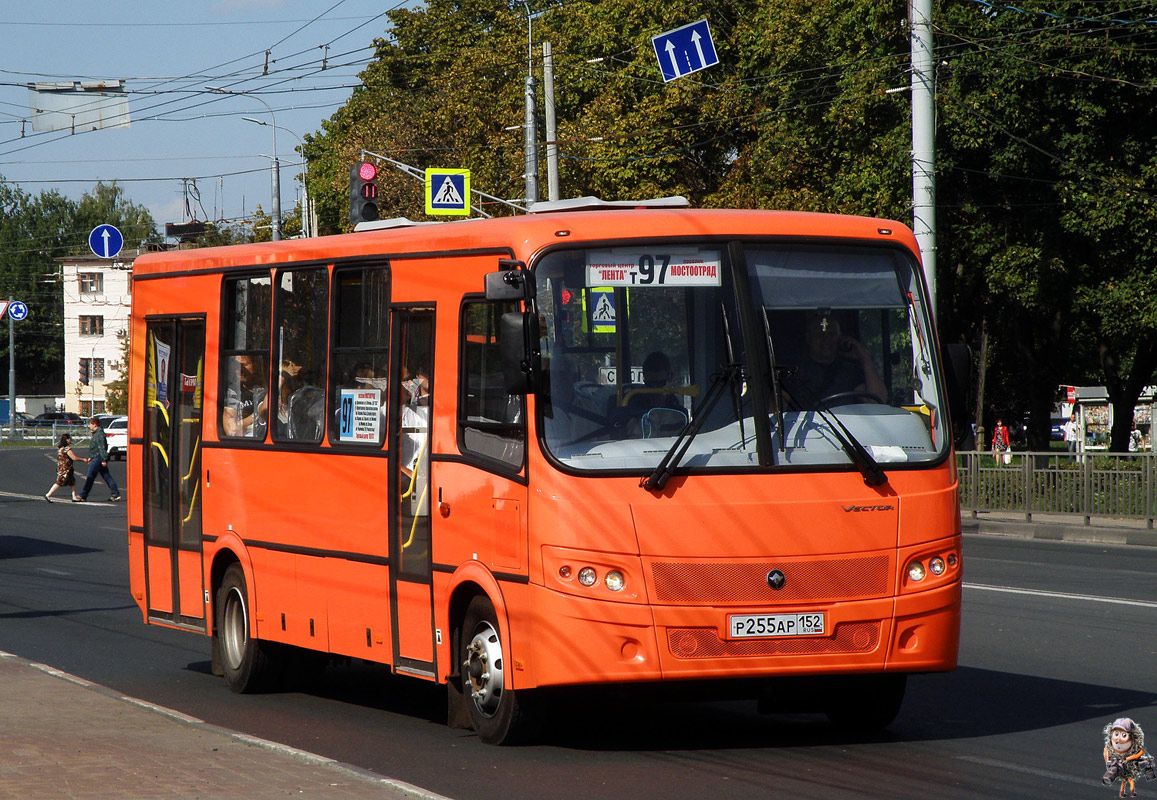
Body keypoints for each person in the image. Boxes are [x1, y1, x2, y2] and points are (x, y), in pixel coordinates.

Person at [788, 310, 886, 406]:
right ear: (809, 338)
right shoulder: (794, 373)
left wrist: (864, 356)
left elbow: (876, 401)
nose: (826, 340)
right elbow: (776, 410)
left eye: (832, 334)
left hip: (843, 421)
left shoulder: (850, 371)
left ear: (840, 337)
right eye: (819, 335)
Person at [221, 354, 268, 439]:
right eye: (237, 365)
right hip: (246, 441)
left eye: (244, 365)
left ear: (255, 365)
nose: (240, 370)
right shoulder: (233, 393)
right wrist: (255, 415)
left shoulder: (265, 388)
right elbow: (231, 431)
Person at [75, 417, 121, 502]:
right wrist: (90, 457)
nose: (89, 426)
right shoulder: (97, 434)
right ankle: (115, 494)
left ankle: (83, 495)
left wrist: (104, 459)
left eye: (90, 424)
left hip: (98, 458)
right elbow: (95, 448)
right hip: (96, 457)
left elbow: (102, 448)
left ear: (94, 424)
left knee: (90, 477)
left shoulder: (99, 434)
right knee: (106, 476)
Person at [44, 433, 88, 503]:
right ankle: (48, 495)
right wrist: (83, 459)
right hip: (66, 469)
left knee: (72, 482)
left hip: (63, 468)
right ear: (67, 440)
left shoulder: (61, 449)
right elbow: (74, 458)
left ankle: (74, 496)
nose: (70, 440)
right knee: (60, 482)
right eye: (69, 439)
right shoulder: (67, 449)